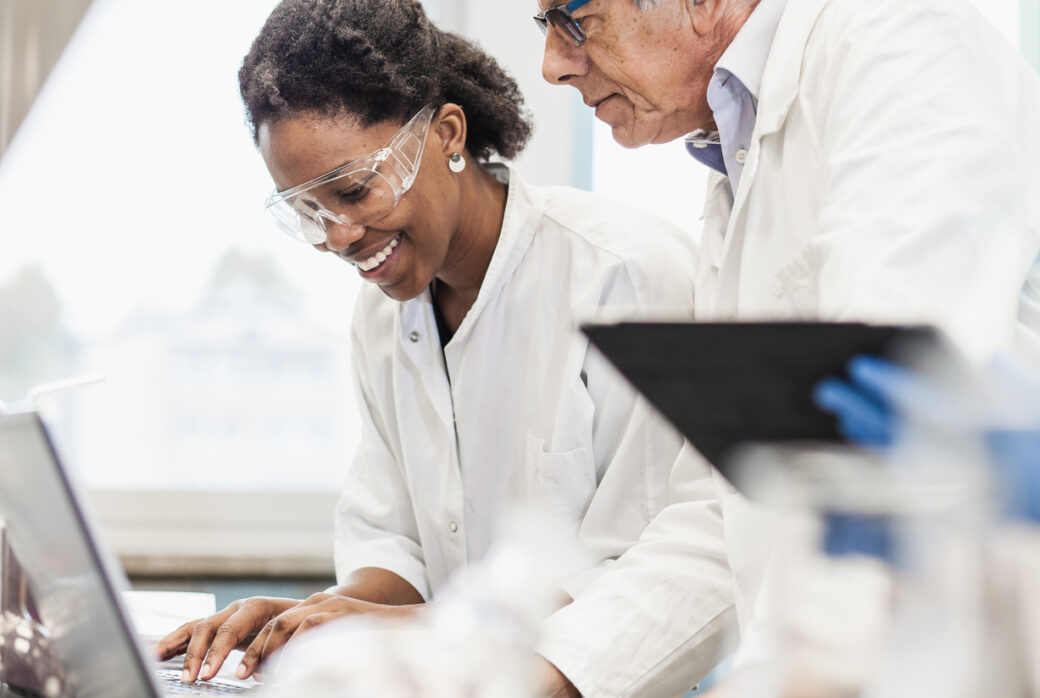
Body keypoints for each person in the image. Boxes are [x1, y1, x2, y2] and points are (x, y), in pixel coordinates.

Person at [156, 1, 734, 696]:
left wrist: (406, 630)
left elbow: (640, 588)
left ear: (447, 134)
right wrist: (319, 618)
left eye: (353, 189)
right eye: (309, 210)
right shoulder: (382, 316)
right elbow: (391, 548)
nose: (339, 237)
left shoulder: (628, 278)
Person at [536, 0, 1040, 692]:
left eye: (570, 19)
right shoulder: (737, 157)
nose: (553, 65)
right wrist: (546, 674)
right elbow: (726, 506)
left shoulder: (902, 47)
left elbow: (881, 459)